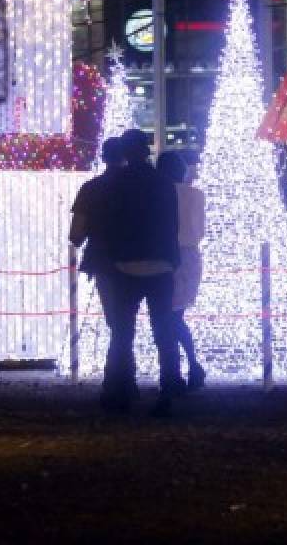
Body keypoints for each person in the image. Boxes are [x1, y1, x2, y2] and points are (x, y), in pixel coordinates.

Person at [106, 128, 182, 416]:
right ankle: (167, 391)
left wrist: (113, 256)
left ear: (125, 152)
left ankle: (121, 390)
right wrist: (172, 260)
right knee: (164, 330)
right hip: (160, 264)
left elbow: (112, 223)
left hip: (125, 264)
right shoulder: (163, 183)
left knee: (123, 332)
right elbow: (171, 224)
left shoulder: (118, 183)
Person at [68, 138, 125, 403]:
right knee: (129, 321)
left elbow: (76, 234)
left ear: (104, 158)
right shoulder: (136, 187)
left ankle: (116, 380)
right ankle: (126, 378)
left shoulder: (91, 189)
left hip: (104, 260)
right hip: (141, 258)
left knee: (117, 322)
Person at [157, 150, 206, 390]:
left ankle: (187, 367)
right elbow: (200, 229)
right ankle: (192, 367)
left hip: (168, 255)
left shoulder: (161, 194)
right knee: (176, 316)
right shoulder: (196, 195)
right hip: (192, 256)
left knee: (170, 317)